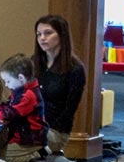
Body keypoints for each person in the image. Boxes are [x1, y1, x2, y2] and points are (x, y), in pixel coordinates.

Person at [33, 15, 86, 152]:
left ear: (62, 35)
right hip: (31, 125)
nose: (42, 38)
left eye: (48, 33)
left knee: (11, 148)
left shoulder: (75, 69)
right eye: (39, 34)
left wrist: (40, 128)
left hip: (55, 131)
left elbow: (69, 111)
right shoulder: (34, 63)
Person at [0, 55, 47, 162]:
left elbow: (10, 112)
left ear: (20, 78)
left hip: (31, 140)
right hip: (22, 138)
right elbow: (7, 105)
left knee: (0, 156)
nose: (6, 85)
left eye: (8, 81)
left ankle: (37, 154)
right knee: (0, 153)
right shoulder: (20, 91)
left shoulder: (28, 95)